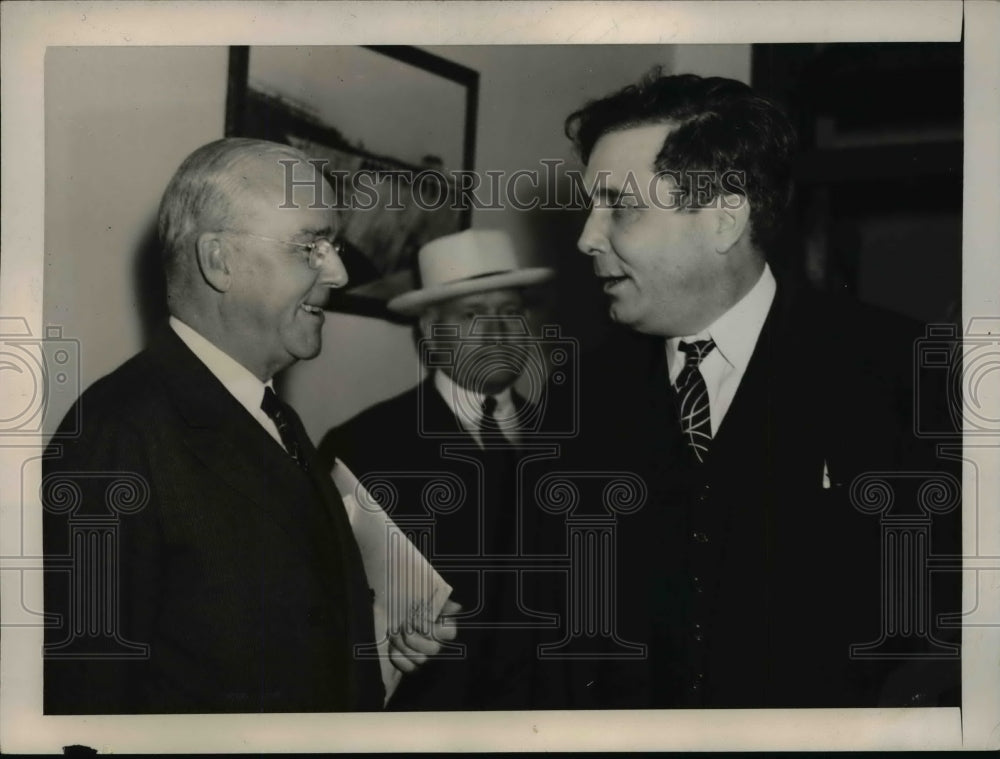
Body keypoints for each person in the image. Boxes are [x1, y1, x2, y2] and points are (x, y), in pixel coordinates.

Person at [557, 71, 960, 708]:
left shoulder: (904, 370)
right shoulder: (578, 396)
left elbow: (955, 616)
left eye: (621, 207)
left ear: (724, 218)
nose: (587, 237)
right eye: (590, 207)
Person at [42, 137, 451, 714]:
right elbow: (85, 701)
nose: (336, 272)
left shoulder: (269, 413)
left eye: (331, 245)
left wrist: (374, 645)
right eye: (310, 246)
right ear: (219, 261)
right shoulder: (118, 433)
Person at [320, 228, 562, 709]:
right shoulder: (362, 448)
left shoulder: (576, 445)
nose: (499, 331)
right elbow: (332, 616)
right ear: (431, 332)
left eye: (511, 312)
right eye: (473, 315)